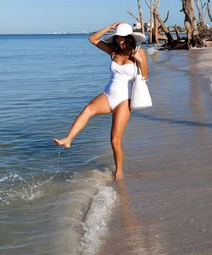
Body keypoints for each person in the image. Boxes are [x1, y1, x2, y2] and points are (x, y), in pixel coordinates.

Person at [53, 22, 149, 180]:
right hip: (108, 93)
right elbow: (92, 39)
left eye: (123, 38)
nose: (120, 41)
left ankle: (118, 171)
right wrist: (110, 27)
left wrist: (141, 61)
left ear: (130, 38)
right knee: (88, 109)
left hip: (124, 99)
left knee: (115, 140)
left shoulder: (138, 52)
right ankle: (68, 139)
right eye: (118, 37)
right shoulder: (112, 51)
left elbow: (145, 76)